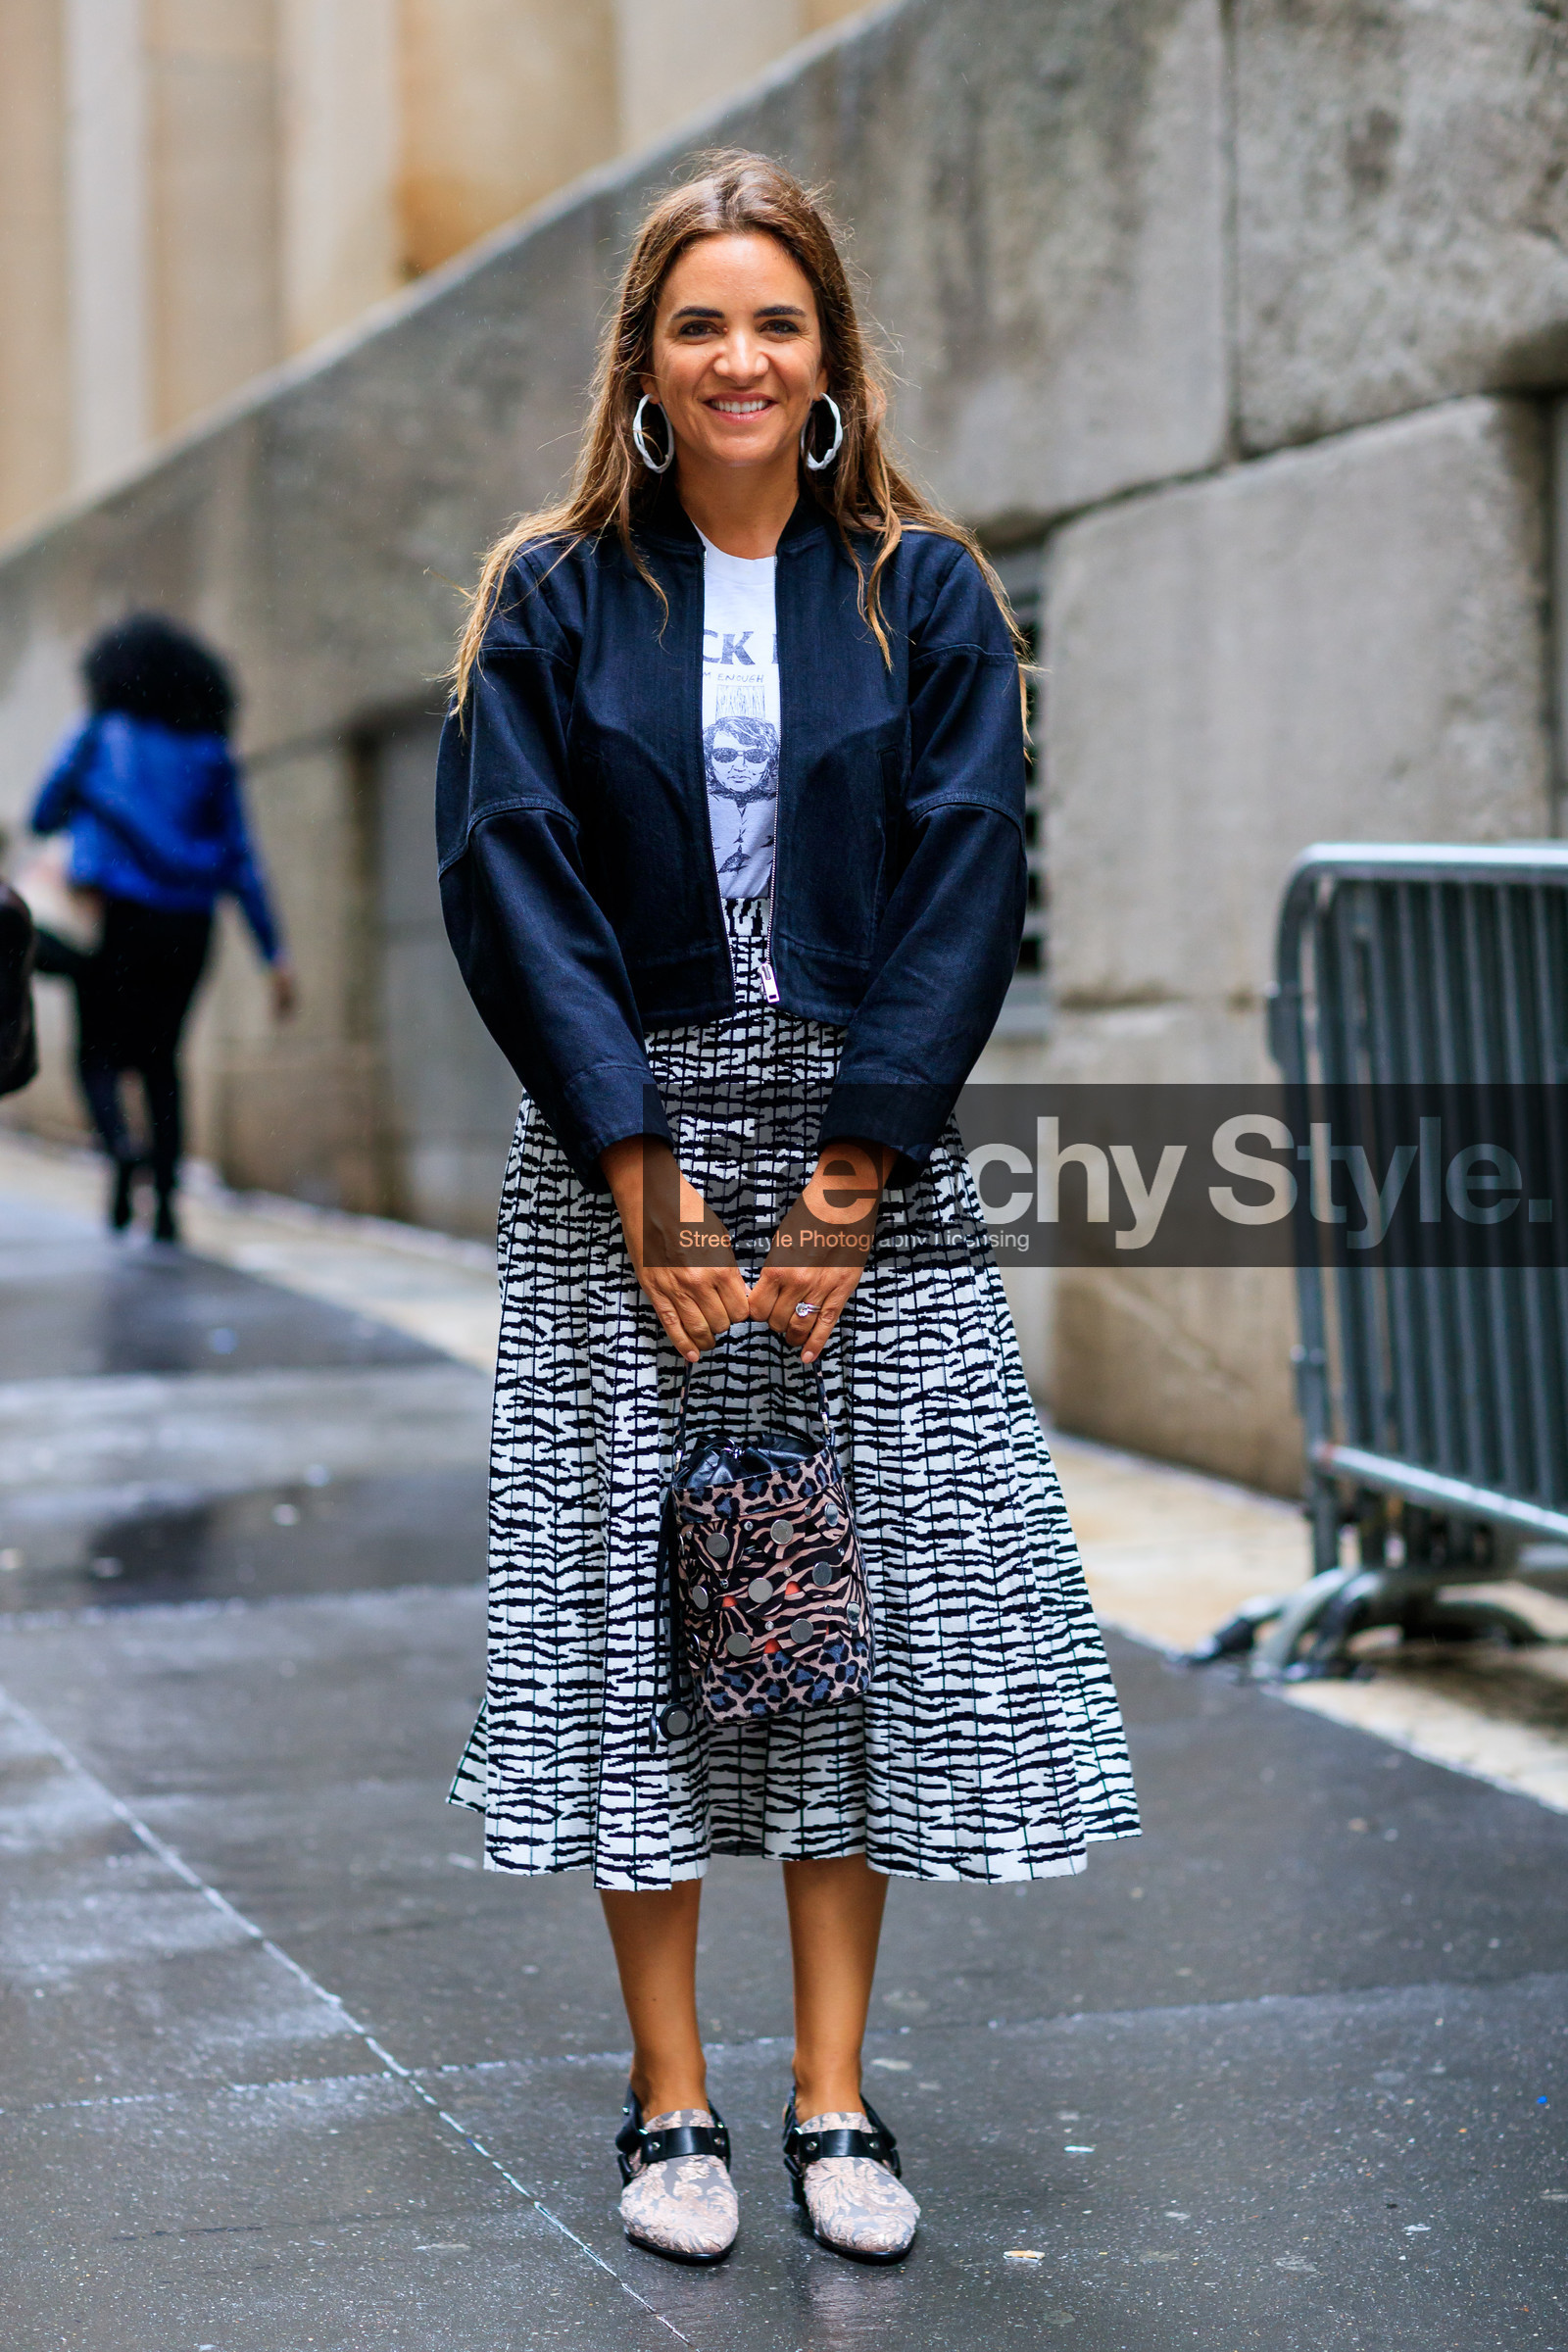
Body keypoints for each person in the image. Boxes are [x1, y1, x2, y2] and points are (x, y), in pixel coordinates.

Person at [438, 151, 1139, 2268]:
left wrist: (847, 1180)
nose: (737, 359)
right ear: (641, 366)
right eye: (695, 323)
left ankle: (835, 2095)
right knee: (618, 1630)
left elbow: (960, 866)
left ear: (828, 357)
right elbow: (506, 869)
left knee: (867, 1625)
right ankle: (670, 2099)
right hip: (615, 1149)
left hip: (871, 1146)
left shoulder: (918, 590)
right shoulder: (550, 594)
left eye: (774, 320)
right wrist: (637, 1171)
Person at [27, 614, 294, 1244]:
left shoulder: (99, 731)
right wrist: (273, 953)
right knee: (161, 1060)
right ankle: (168, 1207)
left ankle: (121, 1149)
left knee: (95, 1053)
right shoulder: (211, 753)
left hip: (113, 918)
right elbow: (241, 860)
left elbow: (42, 813)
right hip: (188, 925)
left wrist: (93, 800)